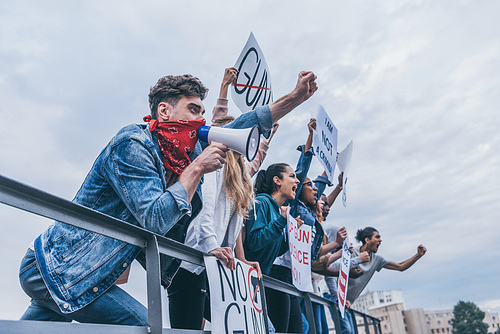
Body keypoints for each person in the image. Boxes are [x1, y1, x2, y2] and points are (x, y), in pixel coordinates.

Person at [18, 71, 318, 326]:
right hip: (63, 270)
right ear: (164, 111)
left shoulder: (180, 154)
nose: (201, 120)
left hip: (84, 273)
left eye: (203, 111)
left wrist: (294, 98)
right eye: (193, 109)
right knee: (147, 328)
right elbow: (156, 217)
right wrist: (197, 169)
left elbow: (244, 124)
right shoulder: (133, 144)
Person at [167, 115, 261, 329]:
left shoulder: (239, 175)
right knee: (189, 327)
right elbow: (204, 209)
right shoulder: (213, 164)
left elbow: (233, 225)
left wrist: (241, 258)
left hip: (213, 263)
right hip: (192, 261)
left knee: (237, 325)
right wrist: (212, 246)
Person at [331, 227, 427, 334]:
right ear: (367, 240)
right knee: (346, 331)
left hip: (347, 303)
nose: (380, 240)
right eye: (377, 237)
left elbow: (400, 267)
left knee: (351, 331)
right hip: (334, 295)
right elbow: (335, 271)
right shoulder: (352, 252)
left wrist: (418, 256)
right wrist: (338, 297)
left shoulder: (377, 259)